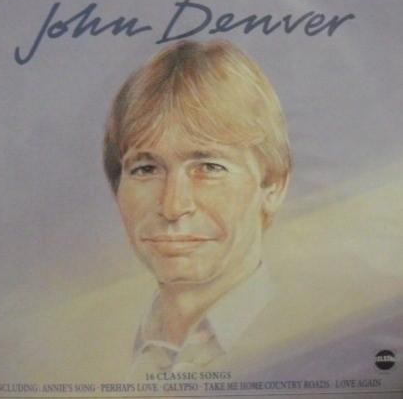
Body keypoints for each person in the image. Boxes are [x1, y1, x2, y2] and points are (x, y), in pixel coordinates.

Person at [103, 39, 291, 372]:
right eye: (146, 169)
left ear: (273, 185)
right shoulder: (90, 349)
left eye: (209, 167)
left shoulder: (320, 333)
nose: (173, 206)